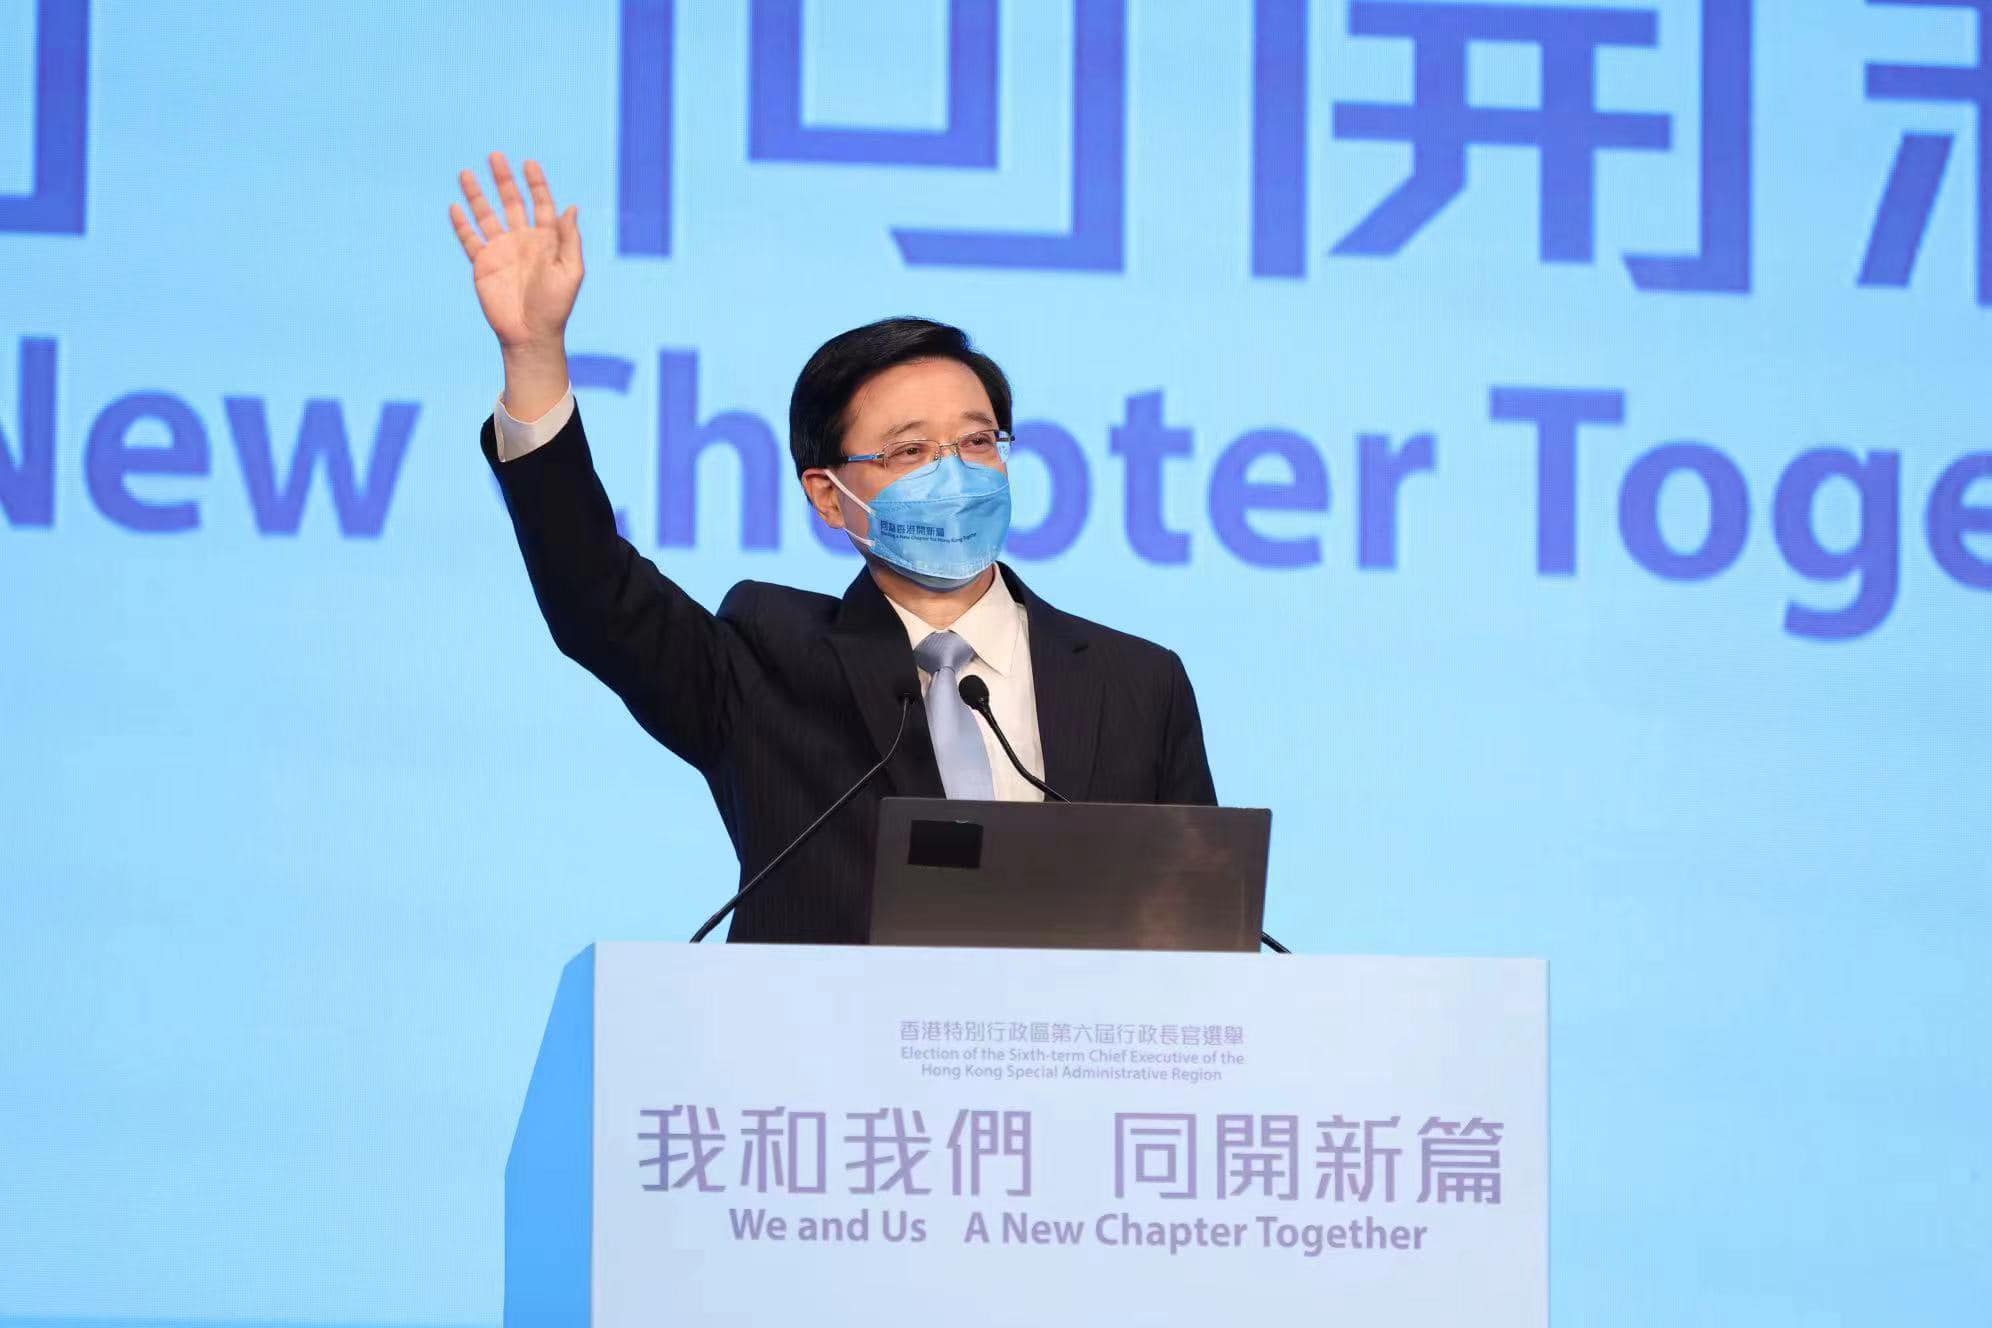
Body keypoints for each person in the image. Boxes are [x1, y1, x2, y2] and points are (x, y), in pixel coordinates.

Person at [449, 152, 1216, 943]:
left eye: (978, 441)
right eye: (910, 451)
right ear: (827, 494)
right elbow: (594, 594)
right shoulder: (765, 665)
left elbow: (1200, 939)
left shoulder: (1138, 684)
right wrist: (533, 357)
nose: (954, 473)